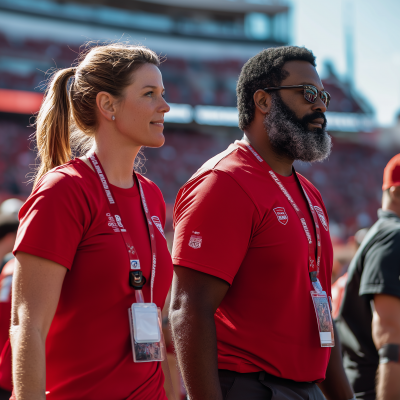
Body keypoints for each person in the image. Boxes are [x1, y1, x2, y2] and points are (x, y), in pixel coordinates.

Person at [170, 46, 355, 400]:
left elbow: (322, 317)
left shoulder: (310, 193)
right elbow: (188, 307)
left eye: (324, 96)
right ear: (264, 101)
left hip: (307, 388)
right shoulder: (223, 181)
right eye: (308, 94)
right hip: (251, 387)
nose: (321, 105)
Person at [11, 44, 174, 400]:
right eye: (150, 94)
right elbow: (27, 326)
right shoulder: (64, 190)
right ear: (108, 105)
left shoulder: (152, 196)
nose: (165, 106)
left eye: (162, 94)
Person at [336, 154, 400, 400]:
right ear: (395, 192)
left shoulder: (382, 234)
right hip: (378, 390)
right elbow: (390, 340)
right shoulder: (392, 236)